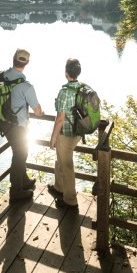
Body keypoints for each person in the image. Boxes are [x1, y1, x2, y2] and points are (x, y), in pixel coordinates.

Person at [0, 48, 44, 202]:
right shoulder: (26, 86)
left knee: (20, 153)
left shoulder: (1, 76)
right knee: (20, 155)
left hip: (4, 123)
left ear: (13, 59)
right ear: (27, 63)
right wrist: (41, 112)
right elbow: (37, 111)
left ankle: (23, 180)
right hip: (18, 126)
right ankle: (16, 190)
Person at [49, 58, 83, 209]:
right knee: (61, 160)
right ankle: (59, 187)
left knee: (67, 165)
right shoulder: (82, 88)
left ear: (66, 73)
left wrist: (53, 137)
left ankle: (70, 201)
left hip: (66, 134)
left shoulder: (65, 92)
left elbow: (60, 118)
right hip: (79, 132)